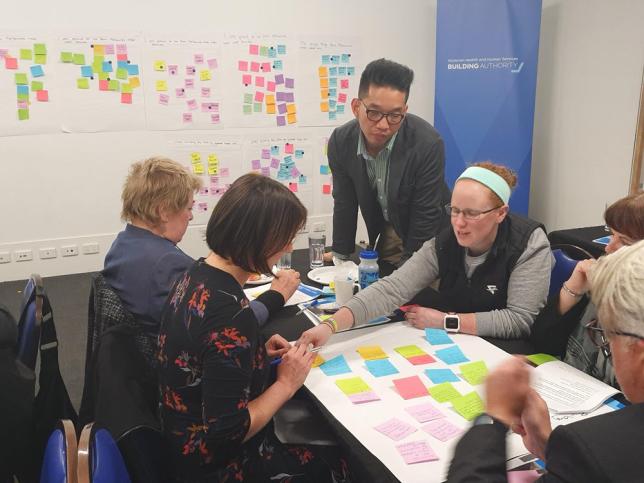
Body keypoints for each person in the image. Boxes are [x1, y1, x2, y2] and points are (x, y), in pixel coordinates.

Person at [157, 173, 350, 482]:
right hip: (215, 466)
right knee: (337, 459)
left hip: (179, 441)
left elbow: (204, 360)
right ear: (258, 238)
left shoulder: (194, 275)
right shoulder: (230, 314)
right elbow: (226, 435)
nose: (288, 245)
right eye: (285, 237)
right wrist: (286, 383)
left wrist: (255, 353)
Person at [447, 240, 644, 483]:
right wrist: (549, 448)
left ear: (639, 352)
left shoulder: (601, 447)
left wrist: (494, 415)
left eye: (607, 335)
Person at [301, 162, 552, 347]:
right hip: (463, 344)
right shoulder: (446, 241)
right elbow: (393, 288)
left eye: (471, 213)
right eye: (454, 210)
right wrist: (330, 325)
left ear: (500, 213)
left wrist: (446, 321)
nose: (459, 223)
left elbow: (518, 320)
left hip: (508, 350)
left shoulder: (529, 244)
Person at [325, 58, 450, 267]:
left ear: (405, 110)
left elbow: (425, 214)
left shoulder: (427, 144)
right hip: (389, 231)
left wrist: (409, 275)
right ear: (356, 107)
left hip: (430, 236)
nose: (383, 125)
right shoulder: (341, 141)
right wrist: (341, 254)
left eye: (394, 115)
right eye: (373, 113)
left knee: (416, 292)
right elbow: (345, 202)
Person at [531, 191, 644, 387]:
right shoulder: (603, 277)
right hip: (572, 389)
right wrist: (573, 289)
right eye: (611, 235)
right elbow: (542, 342)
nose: (609, 248)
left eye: (624, 242)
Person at [103, 156, 202, 326]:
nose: (191, 216)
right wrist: (263, 304)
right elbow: (208, 327)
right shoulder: (168, 263)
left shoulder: (122, 244)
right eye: (189, 208)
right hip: (164, 348)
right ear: (163, 211)